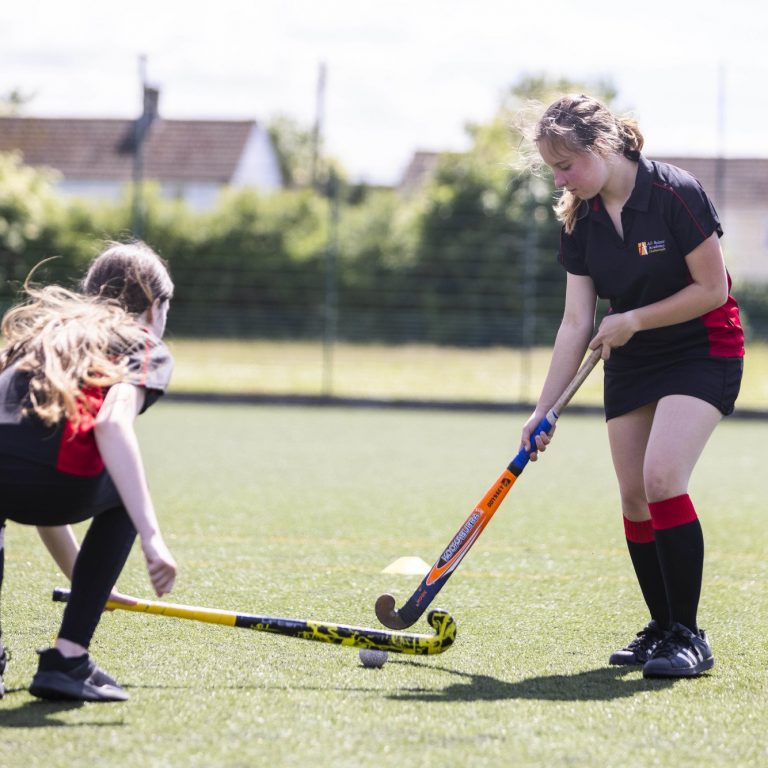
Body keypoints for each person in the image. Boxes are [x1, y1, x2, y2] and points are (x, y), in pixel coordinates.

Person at [520, 95, 744, 678]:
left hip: (702, 346)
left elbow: (714, 289)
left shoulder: (675, 193)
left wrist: (635, 319)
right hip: (633, 357)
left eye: (567, 165)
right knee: (633, 495)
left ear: (601, 147)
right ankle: (662, 628)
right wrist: (545, 411)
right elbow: (576, 323)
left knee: (662, 477)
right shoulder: (579, 218)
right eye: (553, 170)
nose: (561, 179)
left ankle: (690, 637)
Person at [0, 240, 177, 702]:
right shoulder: (142, 343)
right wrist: (152, 537)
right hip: (50, 480)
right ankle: (69, 658)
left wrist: (90, 581)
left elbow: (26, 461)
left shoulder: (46, 332)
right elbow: (112, 425)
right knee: (123, 486)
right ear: (156, 307)